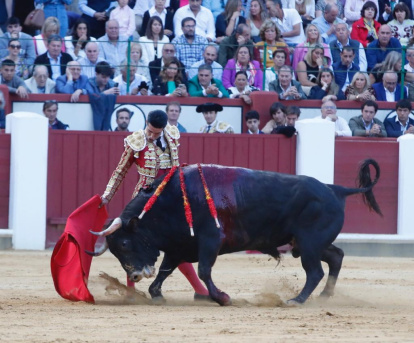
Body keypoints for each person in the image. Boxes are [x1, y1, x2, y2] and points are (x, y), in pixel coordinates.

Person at [100, 109, 209, 297]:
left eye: (155, 133)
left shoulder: (172, 136)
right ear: (146, 124)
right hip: (144, 199)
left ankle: (200, 290)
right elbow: (120, 171)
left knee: (178, 244)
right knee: (132, 243)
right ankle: (131, 292)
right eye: (149, 131)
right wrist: (107, 195)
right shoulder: (136, 141)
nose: (151, 136)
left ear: (163, 129)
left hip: (170, 199)